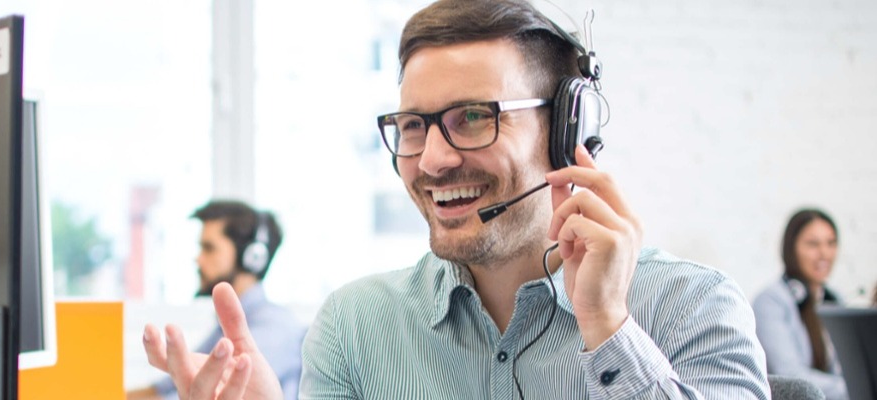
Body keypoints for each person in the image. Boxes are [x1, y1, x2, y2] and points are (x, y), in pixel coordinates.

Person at [141, 0, 768, 398]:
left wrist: (608, 328)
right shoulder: (356, 327)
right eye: (414, 125)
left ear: (564, 131)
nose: (434, 159)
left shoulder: (692, 307)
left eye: (473, 117)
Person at [128, 200, 306, 400]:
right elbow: (164, 387)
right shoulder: (224, 328)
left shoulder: (274, 329)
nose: (198, 259)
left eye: (209, 248)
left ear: (252, 258)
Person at [753, 209, 849, 400]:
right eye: (813, 244)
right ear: (791, 249)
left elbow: (844, 368)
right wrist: (852, 387)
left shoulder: (833, 300)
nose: (824, 253)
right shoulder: (770, 302)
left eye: (831, 243)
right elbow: (792, 377)